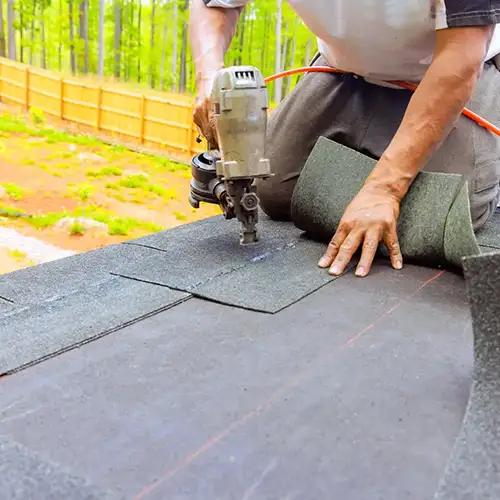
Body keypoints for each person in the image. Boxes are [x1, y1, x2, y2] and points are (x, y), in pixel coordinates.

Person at [190, 0, 500, 277]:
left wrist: (385, 189)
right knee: (273, 189)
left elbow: (463, 53)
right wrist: (208, 80)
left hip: (451, 72)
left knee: (449, 213)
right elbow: (215, 3)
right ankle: (386, 159)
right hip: (343, 67)